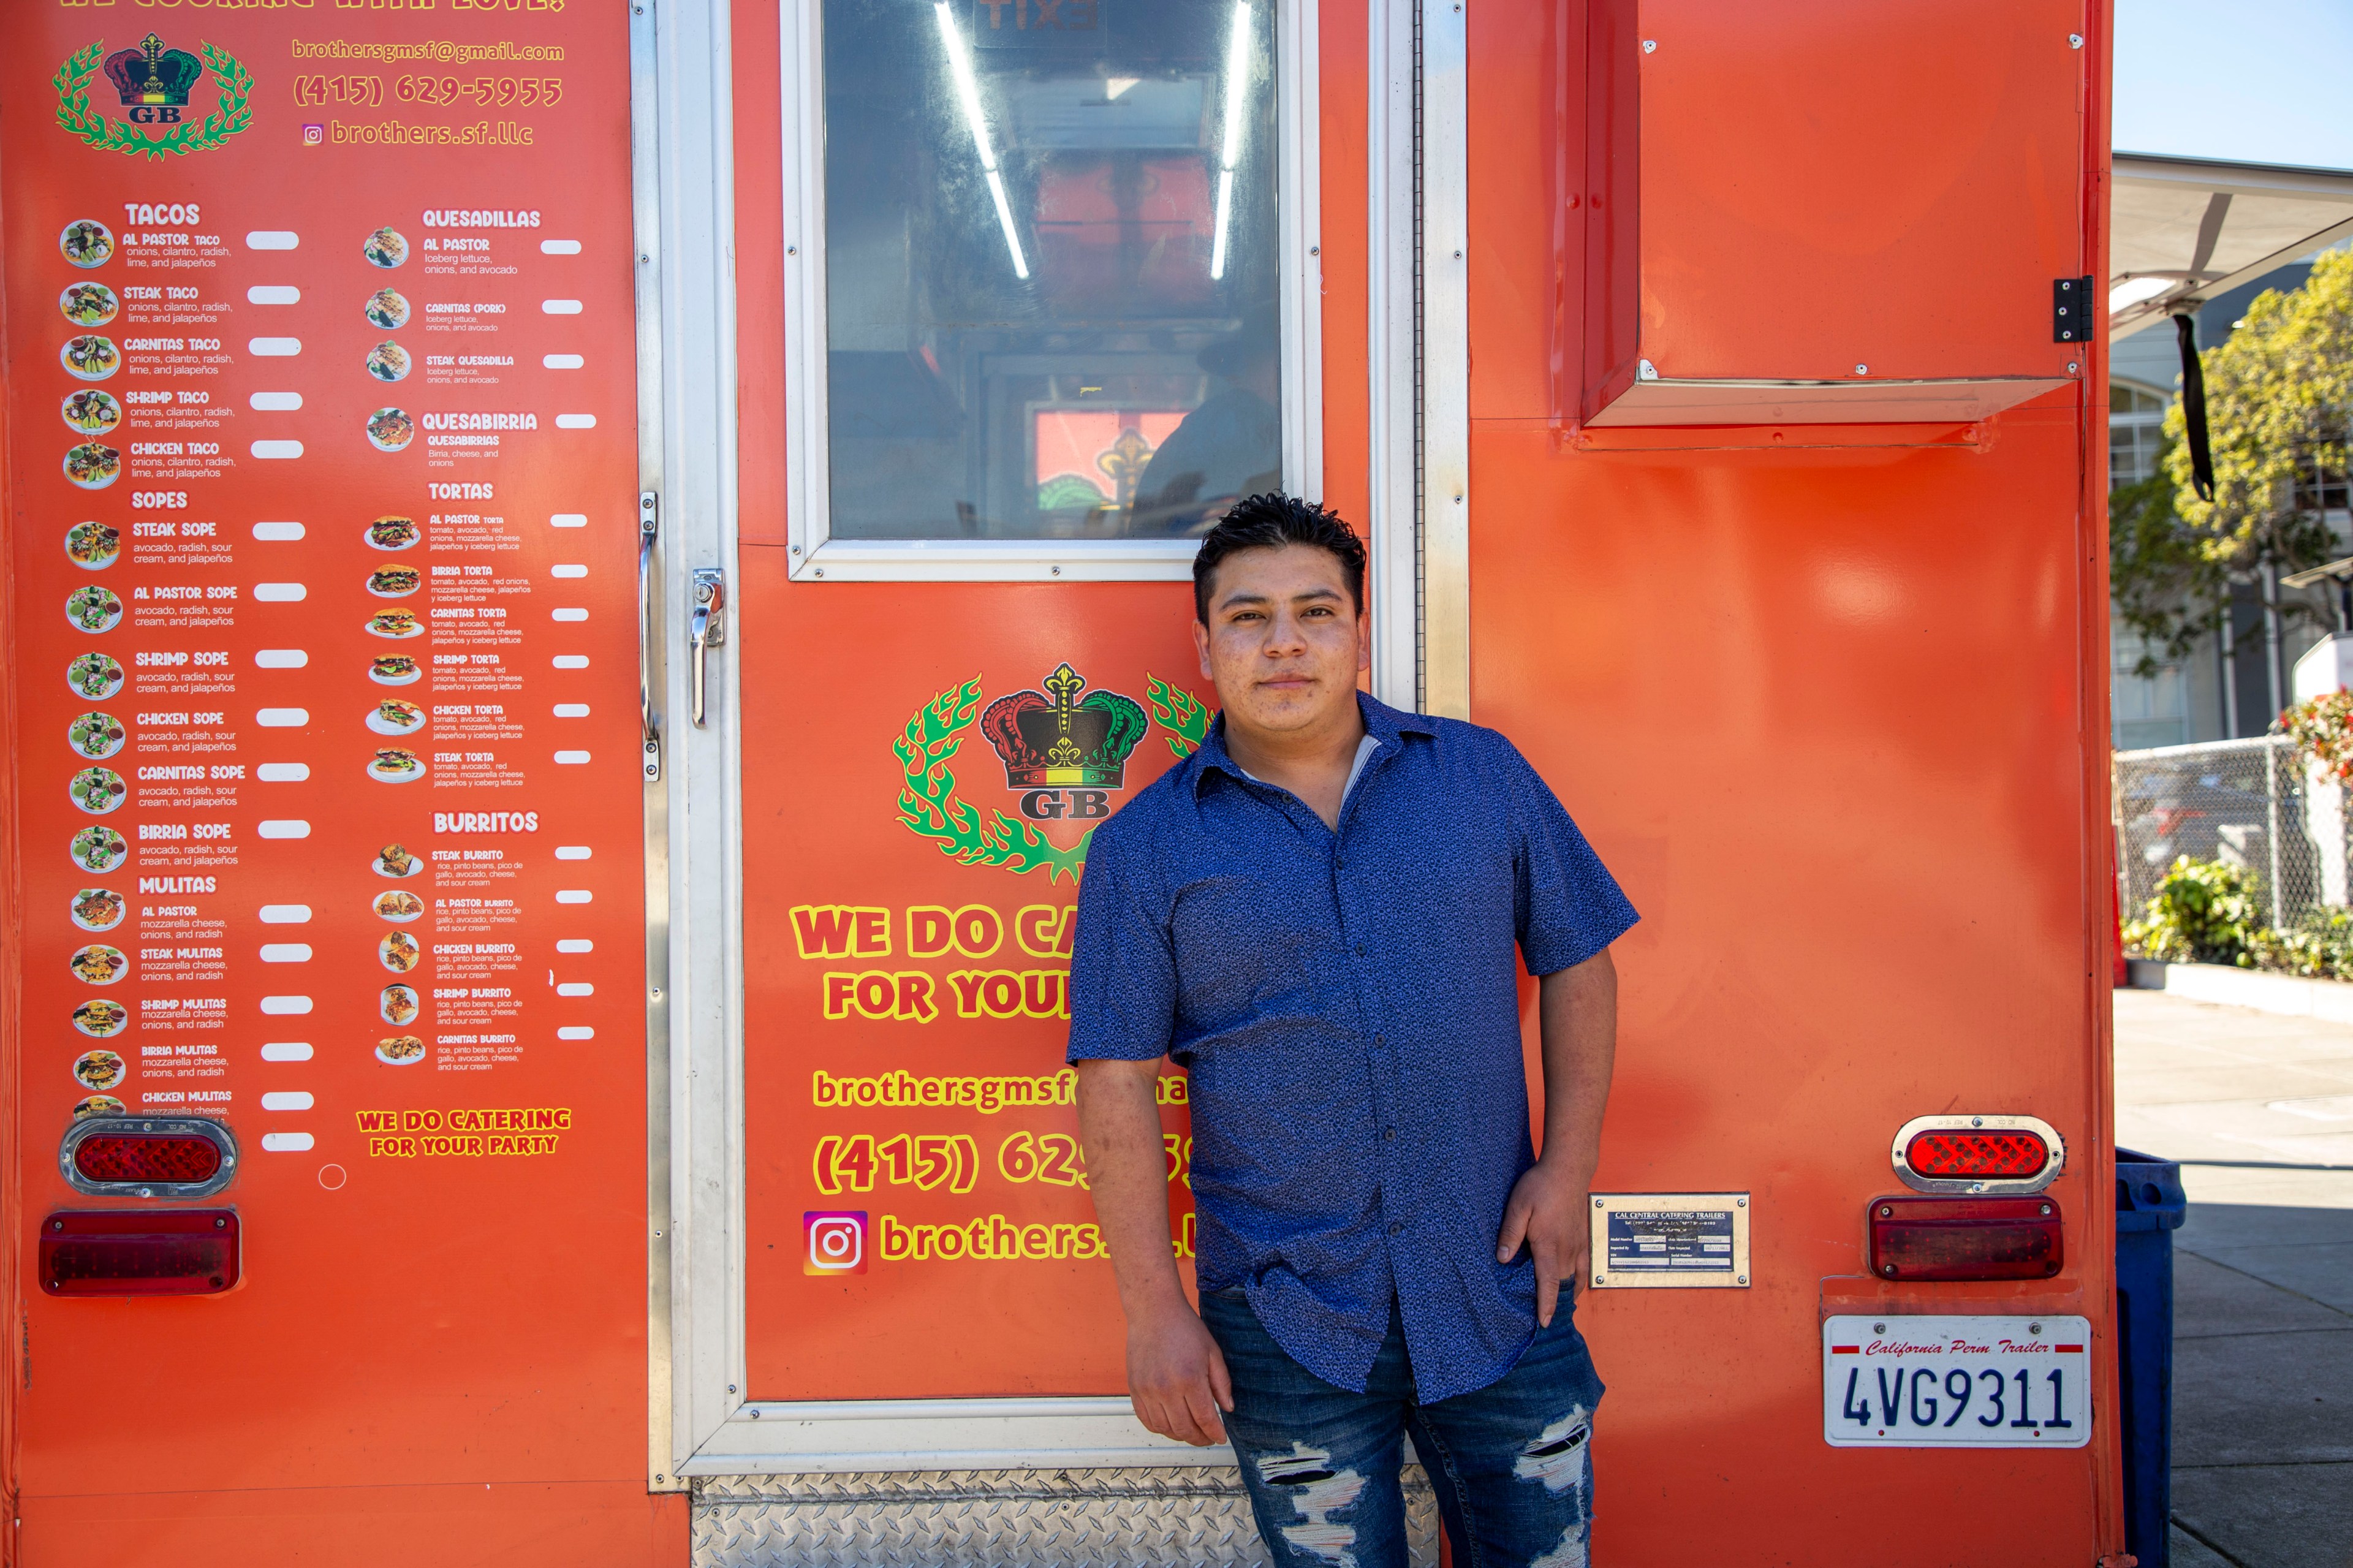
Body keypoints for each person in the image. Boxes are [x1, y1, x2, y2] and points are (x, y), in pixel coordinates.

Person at [1069, 493, 1637, 1568]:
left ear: (1359, 631)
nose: (1284, 641)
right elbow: (1115, 1079)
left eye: (1315, 610)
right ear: (1204, 645)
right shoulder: (1144, 848)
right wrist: (1155, 1312)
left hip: (1499, 1288)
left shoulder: (1482, 777)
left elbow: (1579, 956)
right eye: (1248, 616)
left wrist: (1571, 1168)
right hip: (1290, 1319)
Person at [1126, 326, 1281, 536]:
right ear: (1238, 375)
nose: (1282, 372)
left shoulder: (1213, 421)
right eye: (1274, 362)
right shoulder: (1231, 419)